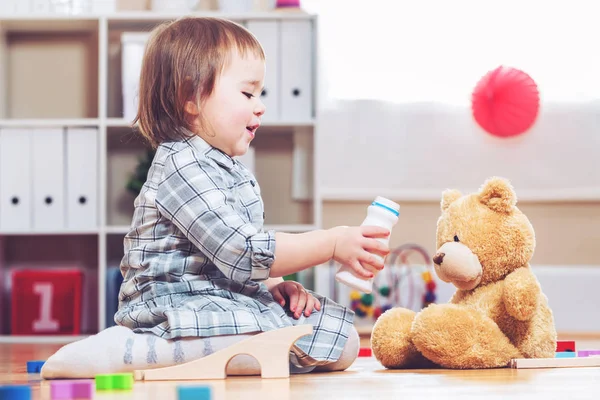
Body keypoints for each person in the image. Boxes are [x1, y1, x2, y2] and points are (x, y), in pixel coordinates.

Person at [41, 16, 390, 379]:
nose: (260, 106)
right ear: (190, 98)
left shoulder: (228, 169)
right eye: (247, 93)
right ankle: (124, 350)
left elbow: (230, 265)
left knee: (342, 338)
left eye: (261, 94)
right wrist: (330, 243)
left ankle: (242, 352)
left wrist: (276, 286)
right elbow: (243, 252)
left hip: (222, 298)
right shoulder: (181, 166)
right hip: (173, 305)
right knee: (285, 339)